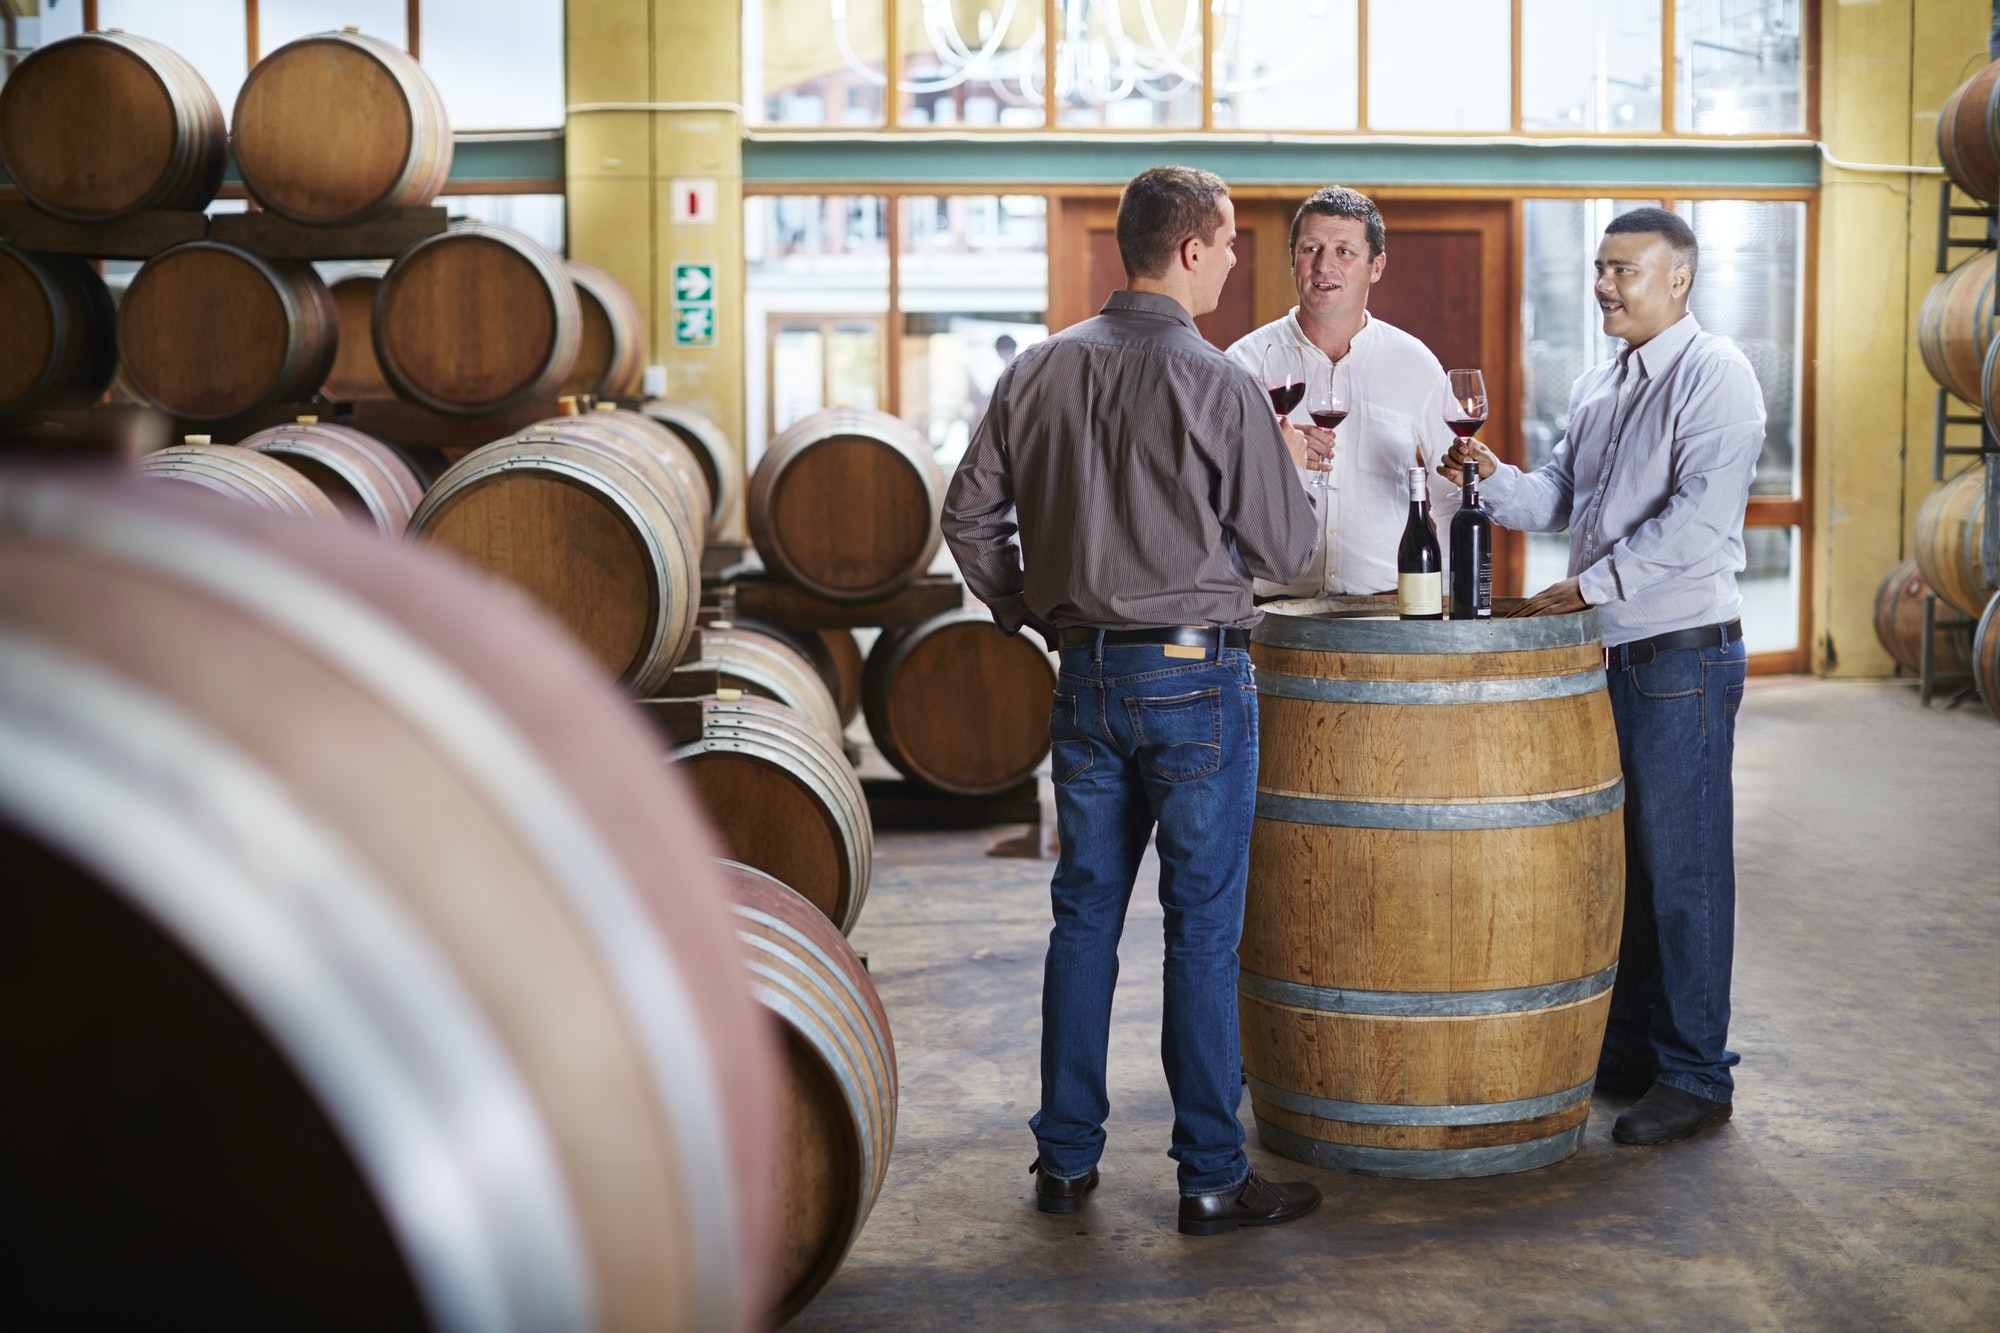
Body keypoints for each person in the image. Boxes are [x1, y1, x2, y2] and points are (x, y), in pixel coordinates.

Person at [941, 165, 1325, 1234]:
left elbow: (967, 517)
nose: (1239, 260)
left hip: (1086, 676)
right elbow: (1289, 552)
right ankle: (1208, 1173)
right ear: (1192, 249)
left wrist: (1026, 606)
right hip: (1197, 676)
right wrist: (1284, 466)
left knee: (1082, 920)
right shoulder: (1220, 384)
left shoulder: (1038, 368)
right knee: (1201, 934)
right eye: (1233, 242)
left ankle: (1064, 1161)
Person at [1441, 207, 1763, 1147]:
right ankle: (1629, 1050)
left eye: (1624, 270)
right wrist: (1492, 477)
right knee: (1621, 863)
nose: (1605, 286)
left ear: (1679, 279)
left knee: (1686, 870)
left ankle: (1699, 1072)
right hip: (1607, 656)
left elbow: (1699, 524)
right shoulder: (1600, 384)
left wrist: (1588, 584)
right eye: (1599, 268)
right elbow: (1557, 496)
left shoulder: (1717, 376)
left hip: (1681, 656)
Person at [1226, 186, 1459, 598]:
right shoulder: (1243, 363)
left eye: (1344, 252)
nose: (1323, 266)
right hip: (1269, 614)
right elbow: (1213, 498)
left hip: (1386, 612)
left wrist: (1444, 607)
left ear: (1376, 266)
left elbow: (1450, 497)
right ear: (1292, 260)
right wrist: (1273, 455)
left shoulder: (1415, 363)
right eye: (1310, 248)